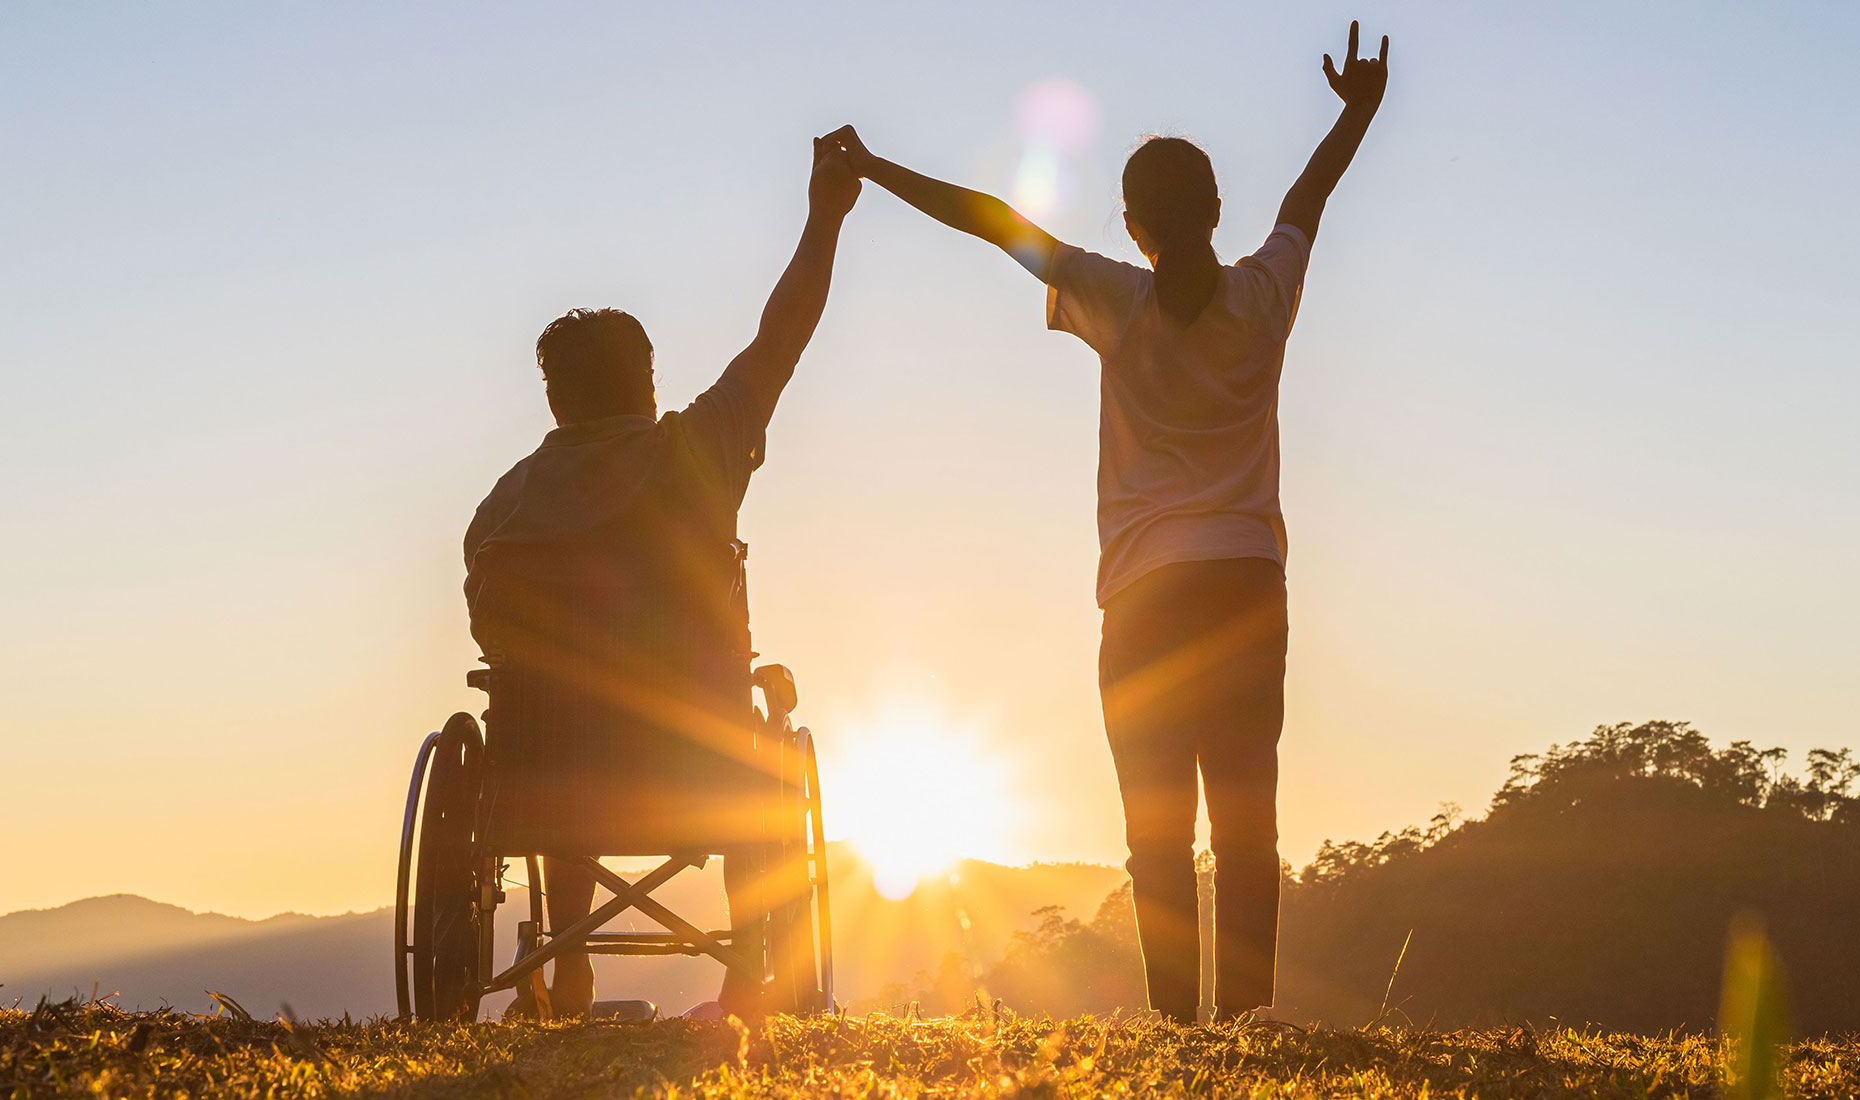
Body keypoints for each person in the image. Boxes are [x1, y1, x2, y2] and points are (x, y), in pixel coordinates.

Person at [830, 23, 1389, 1023]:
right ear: (1217, 213)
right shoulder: (1265, 295)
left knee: (1157, 831)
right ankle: (1246, 1021)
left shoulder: (1115, 296)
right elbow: (1307, 201)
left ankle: (1178, 1025)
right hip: (1247, 582)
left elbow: (994, 219)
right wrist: (1357, 109)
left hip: (1144, 596)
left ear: (1133, 223)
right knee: (1246, 822)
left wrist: (872, 167)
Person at [462, 132, 860, 1020]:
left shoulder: (501, 514)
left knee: (555, 703)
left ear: (555, 399)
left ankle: (569, 971)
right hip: (696, 763)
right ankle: (746, 967)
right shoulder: (695, 451)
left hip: (545, 777)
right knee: (759, 734)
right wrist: (824, 219)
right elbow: (782, 334)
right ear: (647, 384)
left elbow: (498, 640)